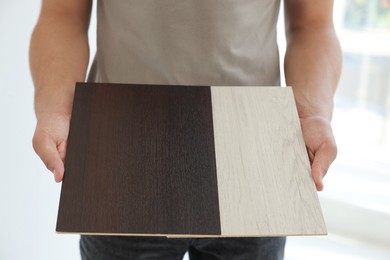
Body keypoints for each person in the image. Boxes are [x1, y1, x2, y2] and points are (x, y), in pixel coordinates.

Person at [30, 0, 341, 259]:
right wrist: (58, 110)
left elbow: (312, 25)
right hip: (122, 159)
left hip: (253, 158)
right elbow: (63, 17)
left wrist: (312, 114)